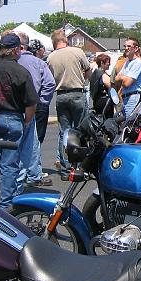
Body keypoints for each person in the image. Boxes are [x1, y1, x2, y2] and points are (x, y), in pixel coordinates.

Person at [0, 33, 38, 209]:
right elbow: (31, 102)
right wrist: (27, 121)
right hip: (13, 118)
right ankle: (6, 204)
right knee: (9, 164)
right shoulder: (21, 72)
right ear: (15, 50)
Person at [46, 28, 91, 176]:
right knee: (80, 130)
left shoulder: (50, 57)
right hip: (77, 93)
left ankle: (66, 168)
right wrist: (81, 80)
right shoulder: (77, 52)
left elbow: (50, 79)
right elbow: (88, 70)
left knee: (64, 132)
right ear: (65, 40)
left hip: (60, 95)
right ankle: (79, 166)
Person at [16, 31, 55, 188]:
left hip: (13, 108)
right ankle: (32, 174)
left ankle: (19, 176)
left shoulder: (11, 61)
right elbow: (50, 83)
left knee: (16, 143)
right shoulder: (38, 62)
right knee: (32, 142)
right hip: (33, 105)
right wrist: (42, 101)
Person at [28, 39, 51, 145]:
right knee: (38, 137)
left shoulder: (19, 61)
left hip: (24, 103)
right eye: (43, 48)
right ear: (37, 50)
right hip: (39, 103)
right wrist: (43, 101)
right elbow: (50, 83)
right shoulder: (41, 63)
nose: (44, 51)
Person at [116, 38, 141, 115]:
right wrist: (123, 78)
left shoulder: (138, 63)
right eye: (125, 46)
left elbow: (127, 83)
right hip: (125, 98)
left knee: (130, 121)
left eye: (129, 46)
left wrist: (122, 77)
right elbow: (116, 79)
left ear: (136, 49)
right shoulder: (127, 63)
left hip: (133, 98)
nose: (126, 48)